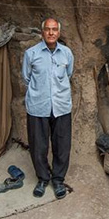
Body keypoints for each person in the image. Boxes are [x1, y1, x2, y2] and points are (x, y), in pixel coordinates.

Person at [21, 17, 74, 199]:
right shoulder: (31, 54)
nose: (51, 33)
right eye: (47, 29)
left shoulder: (66, 53)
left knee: (62, 145)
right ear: (42, 32)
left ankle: (58, 180)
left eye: (54, 29)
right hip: (38, 106)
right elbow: (26, 78)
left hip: (61, 106)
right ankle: (43, 178)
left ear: (58, 33)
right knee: (38, 146)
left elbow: (69, 74)